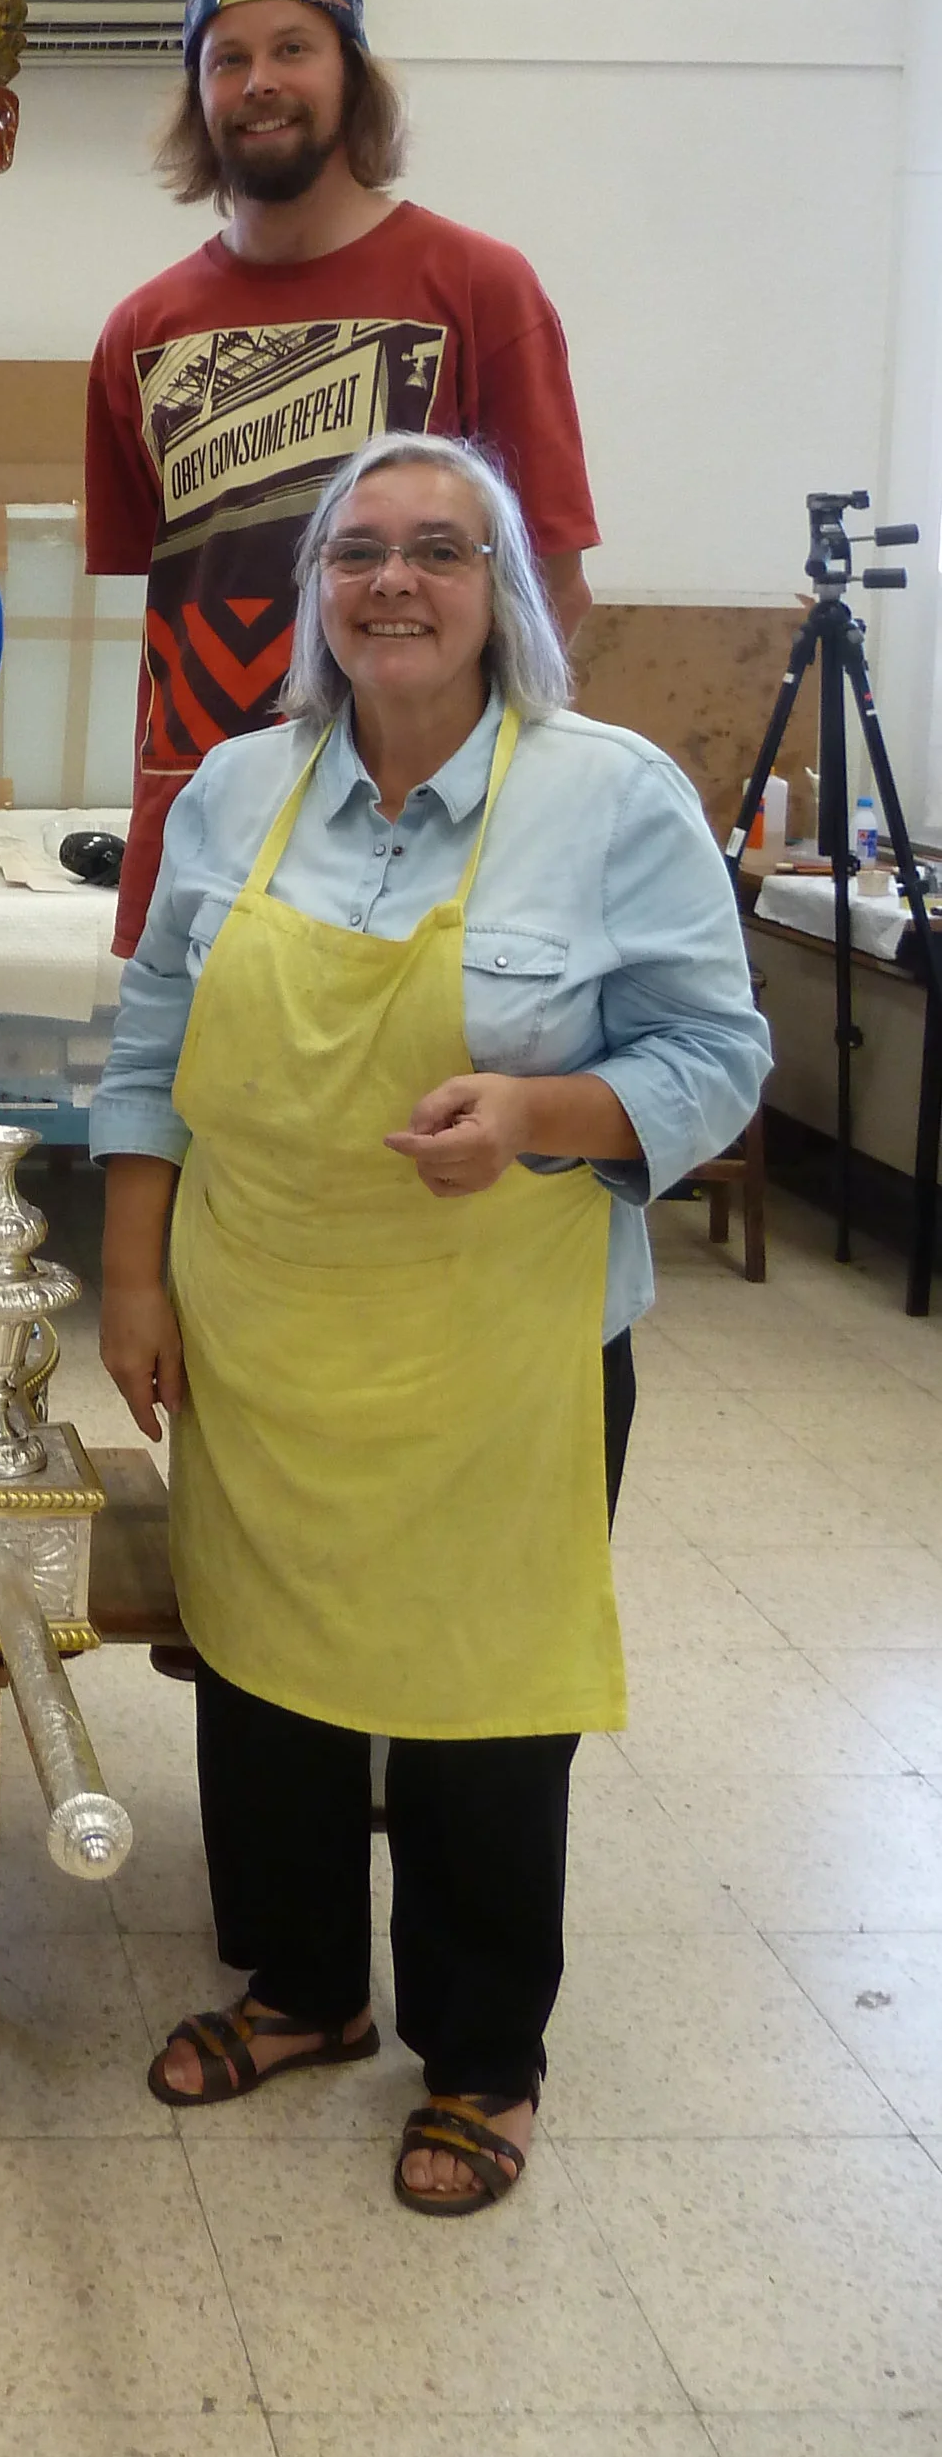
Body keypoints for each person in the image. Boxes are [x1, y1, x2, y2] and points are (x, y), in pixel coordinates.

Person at [93, 431, 768, 2214]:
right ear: (317, 592)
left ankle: (482, 2053)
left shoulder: (612, 796)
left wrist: (542, 1117)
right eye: (358, 550)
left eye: (440, 550)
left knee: (482, 1702)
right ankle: (305, 1983)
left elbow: (721, 1060)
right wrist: (138, 1271)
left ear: (502, 593)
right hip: (265, 1323)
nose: (396, 579)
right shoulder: (237, 789)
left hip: (502, 1351)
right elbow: (153, 1043)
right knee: (262, 1668)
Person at [85, 0, 599, 958]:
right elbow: (156, 620)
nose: (259, 81)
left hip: (416, 845)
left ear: (352, 78)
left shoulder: (479, 289)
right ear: (198, 97)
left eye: (292, 49)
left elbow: (550, 587)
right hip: (202, 837)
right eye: (225, 59)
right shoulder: (138, 332)